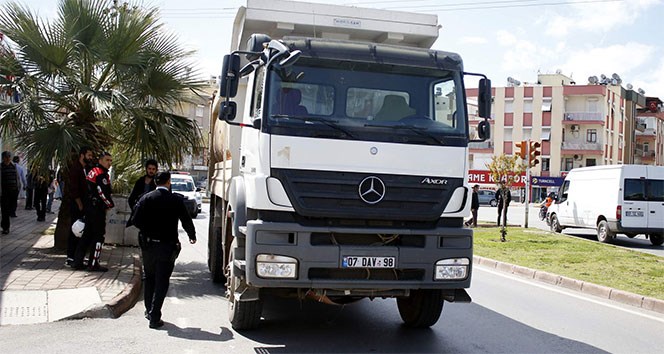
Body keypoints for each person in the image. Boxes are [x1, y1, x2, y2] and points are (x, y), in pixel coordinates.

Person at [130, 171, 196, 329]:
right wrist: (191, 235)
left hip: (148, 246)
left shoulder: (146, 198)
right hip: (167, 247)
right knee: (162, 281)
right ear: (168, 182)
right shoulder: (175, 200)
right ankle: (155, 315)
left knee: (150, 278)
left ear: (155, 182)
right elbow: (186, 219)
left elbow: (135, 220)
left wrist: (147, 231)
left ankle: (149, 310)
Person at [72, 152, 114, 272]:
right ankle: (94, 263)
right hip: (97, 209)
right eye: (107, 160)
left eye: (111, 161)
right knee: (98, 236)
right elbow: (102, 192)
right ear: (100, 160)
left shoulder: (92, 171)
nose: (109, 163)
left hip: (90, 207)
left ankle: (78, 261)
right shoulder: (101, 174)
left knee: (86, 235)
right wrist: (109, 204)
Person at [66, 146, 94, 266]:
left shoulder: (87, 169)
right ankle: (71, 257)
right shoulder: (75, 168)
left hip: (86, 204)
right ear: (82, 155)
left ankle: (79, 256)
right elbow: (74, 189)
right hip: (77, 205)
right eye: (89, 155)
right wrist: (80, 204)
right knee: (75, 229)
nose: (90, 158)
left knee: (82, 231)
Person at [0, 151, 20, 234]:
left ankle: (3, 223)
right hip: (4, 192)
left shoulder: (13, 166)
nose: (8, 158)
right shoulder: (1, 167)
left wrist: (18, 187)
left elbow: (17, 177)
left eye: (9, 156)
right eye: (6, 157)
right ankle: (6, 227)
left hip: (13, 191)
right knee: (5, 209)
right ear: (3, 158)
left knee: (10, 209)